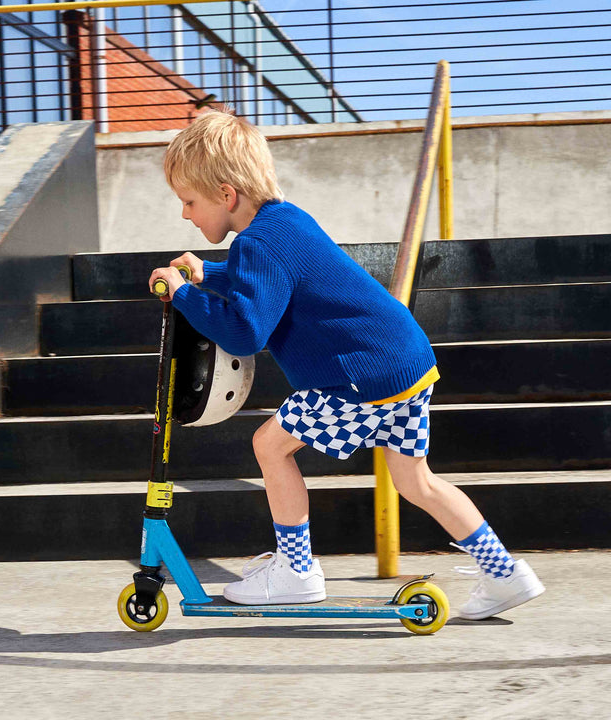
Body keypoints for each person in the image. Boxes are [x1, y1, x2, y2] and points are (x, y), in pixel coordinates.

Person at [148, 109, 545, 620]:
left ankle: (296, 571)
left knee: (270, 444)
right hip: (404, 363)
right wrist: (211, 275)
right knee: (415, 481)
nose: (185, 214)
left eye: (189, 202)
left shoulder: (258, 241)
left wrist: (183, 294)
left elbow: (245, 330)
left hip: (359, 375)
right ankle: (505, 571)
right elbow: (269, 278)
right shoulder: (284, 221)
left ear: (227, 196)